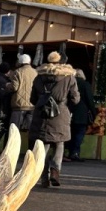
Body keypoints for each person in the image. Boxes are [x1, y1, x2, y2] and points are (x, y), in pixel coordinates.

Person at [29, 51, 79, 188]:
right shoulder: (69, 77)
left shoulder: (39, 77)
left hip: (42, 115)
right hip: (60, 114)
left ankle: (43, 178)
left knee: (43, 146)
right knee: (59, 143)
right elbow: (75, 99)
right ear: (61, 61)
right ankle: (55, 170)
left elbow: (32, 99)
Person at [68, 69, 97, 162]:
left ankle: (69, 152)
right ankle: (75, 153)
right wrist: (94, 113)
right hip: (81, 114)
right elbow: (90, 100)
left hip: (69, 112)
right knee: (79, 134)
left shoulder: (69, 83)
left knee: (70, 133)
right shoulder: (85, 85)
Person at [8, 54, 37, 131]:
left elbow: (14, 87)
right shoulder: (35, 72)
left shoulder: (17, 72)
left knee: (14, 131)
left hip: (19, 105)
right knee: (30, 132)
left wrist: (7, 85)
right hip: (32, 105)